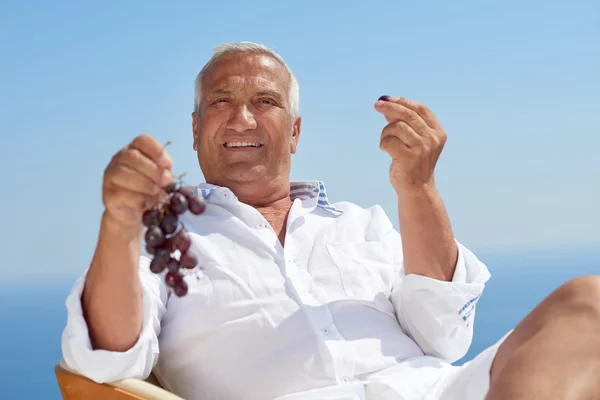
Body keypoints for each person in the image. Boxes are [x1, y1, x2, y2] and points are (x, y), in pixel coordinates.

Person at [61, 41, 600, 400]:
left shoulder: (359, 223)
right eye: (222, 101)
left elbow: (445, 336)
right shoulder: (164, 240)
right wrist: (119, 222)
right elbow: (106, 362)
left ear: (294, 132)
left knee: (587, 302)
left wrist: (418, 186)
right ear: (197, 126)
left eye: (264, 101)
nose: (242, 117)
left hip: (436, 390)